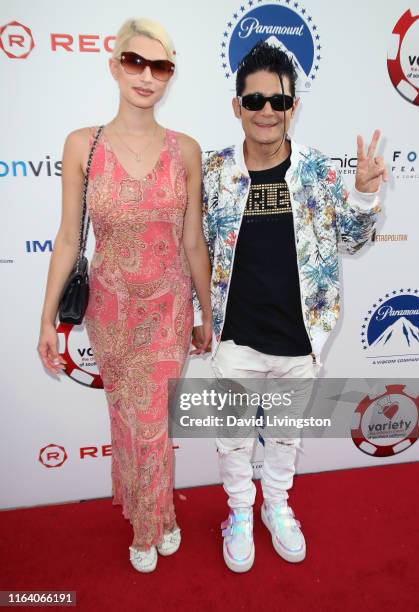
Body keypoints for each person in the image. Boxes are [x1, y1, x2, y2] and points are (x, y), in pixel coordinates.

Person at [192, 41, 387, 573]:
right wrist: (198, 316)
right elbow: (199, 247)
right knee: (232, 441)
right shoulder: (213, 172)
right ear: (237, 106)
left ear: (293, 106)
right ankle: (238, 512)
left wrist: (365, 196)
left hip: (301, 341)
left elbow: (350, 242)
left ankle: (276, 505)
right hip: (234, 339)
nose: (266, 112)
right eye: (253, 100)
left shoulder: (319, 172)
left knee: (283, 435)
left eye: (278, 101)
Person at [37, 17, 212, 573]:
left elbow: (192, 240)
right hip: (109, 310)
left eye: (159, 67)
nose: (146, 76)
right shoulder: (82, 145)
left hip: (167, 306)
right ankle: (151, 510)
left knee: (153, 418)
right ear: (114, 66)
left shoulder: (185, 149)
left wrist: (208, 313)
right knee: (127, 419)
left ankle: (151, 522)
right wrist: (47, 321)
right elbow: (69, 237)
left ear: (169, 78)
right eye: (135, 62)